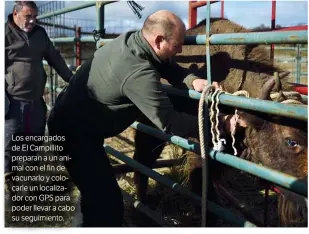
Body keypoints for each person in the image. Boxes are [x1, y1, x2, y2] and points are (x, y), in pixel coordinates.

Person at [47, 10, 219, 227]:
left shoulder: (133, 40)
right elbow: (171, 123)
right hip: (74, 134)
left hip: (76, 119)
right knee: (107, 206)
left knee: (98, 195)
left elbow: (166, 64)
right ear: (158, 40)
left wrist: (192, 80)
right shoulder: (138, 72)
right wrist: (216, 123)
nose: (181, 50)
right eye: (177, 45)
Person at [5, 1, 72, 181]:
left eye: (35, 17)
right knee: (8, 146)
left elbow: (54, 57)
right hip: (12, 101)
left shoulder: (39, 34)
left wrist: (71, 80)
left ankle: (29, 183)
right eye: (28, 16)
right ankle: (7, 189)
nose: (33, 21)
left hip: (36, 99)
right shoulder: (5, 35)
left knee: (34, 143)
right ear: (15, 14)